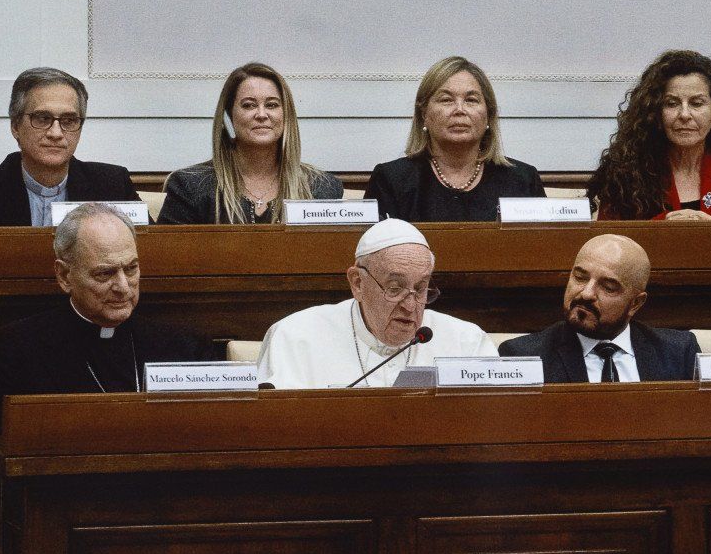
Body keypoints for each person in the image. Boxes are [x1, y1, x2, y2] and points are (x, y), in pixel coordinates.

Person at [0, 204, 214, 440]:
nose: (123, 287)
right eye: (105, 273)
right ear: (65, 276)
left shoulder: (184, 349)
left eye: (131, 269)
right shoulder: (15, 353)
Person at [260, 218, 493, 388]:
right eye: (395, 288)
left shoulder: (466, 343)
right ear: (358, 283)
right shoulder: (295, 338)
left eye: (421, 289)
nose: (410, 306)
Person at [0, 67, 137, 226]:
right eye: (42, 118)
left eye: (69, 121)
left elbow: (147, 250)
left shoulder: (113, 186)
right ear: (15, 127)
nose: (56, 133)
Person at [589, 49, 711, 220]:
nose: (684, 115)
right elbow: (608, 237)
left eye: (696, 103)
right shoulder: (626, 173)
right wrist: (665, 229)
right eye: (672, 104)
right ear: (656, 114)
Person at [498, 235, 700, 383]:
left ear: (636, 303)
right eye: (580, 277)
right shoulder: (523, 356)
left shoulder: (679, 352)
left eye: (608, 287)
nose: (586, 293)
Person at [365, 56, 546, 222]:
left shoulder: (523, 180)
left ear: (489, 116)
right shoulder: (390, 180)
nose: (460, 110)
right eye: (446, 100)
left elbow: (546, 244)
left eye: (471, 100)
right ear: (424, 114)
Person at [158, 63, 342, 223]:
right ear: (229, 116)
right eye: (249, 105)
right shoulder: (190, 186)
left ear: (286, 115)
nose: (261, 115)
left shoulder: (322, 188)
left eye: (271, 105)